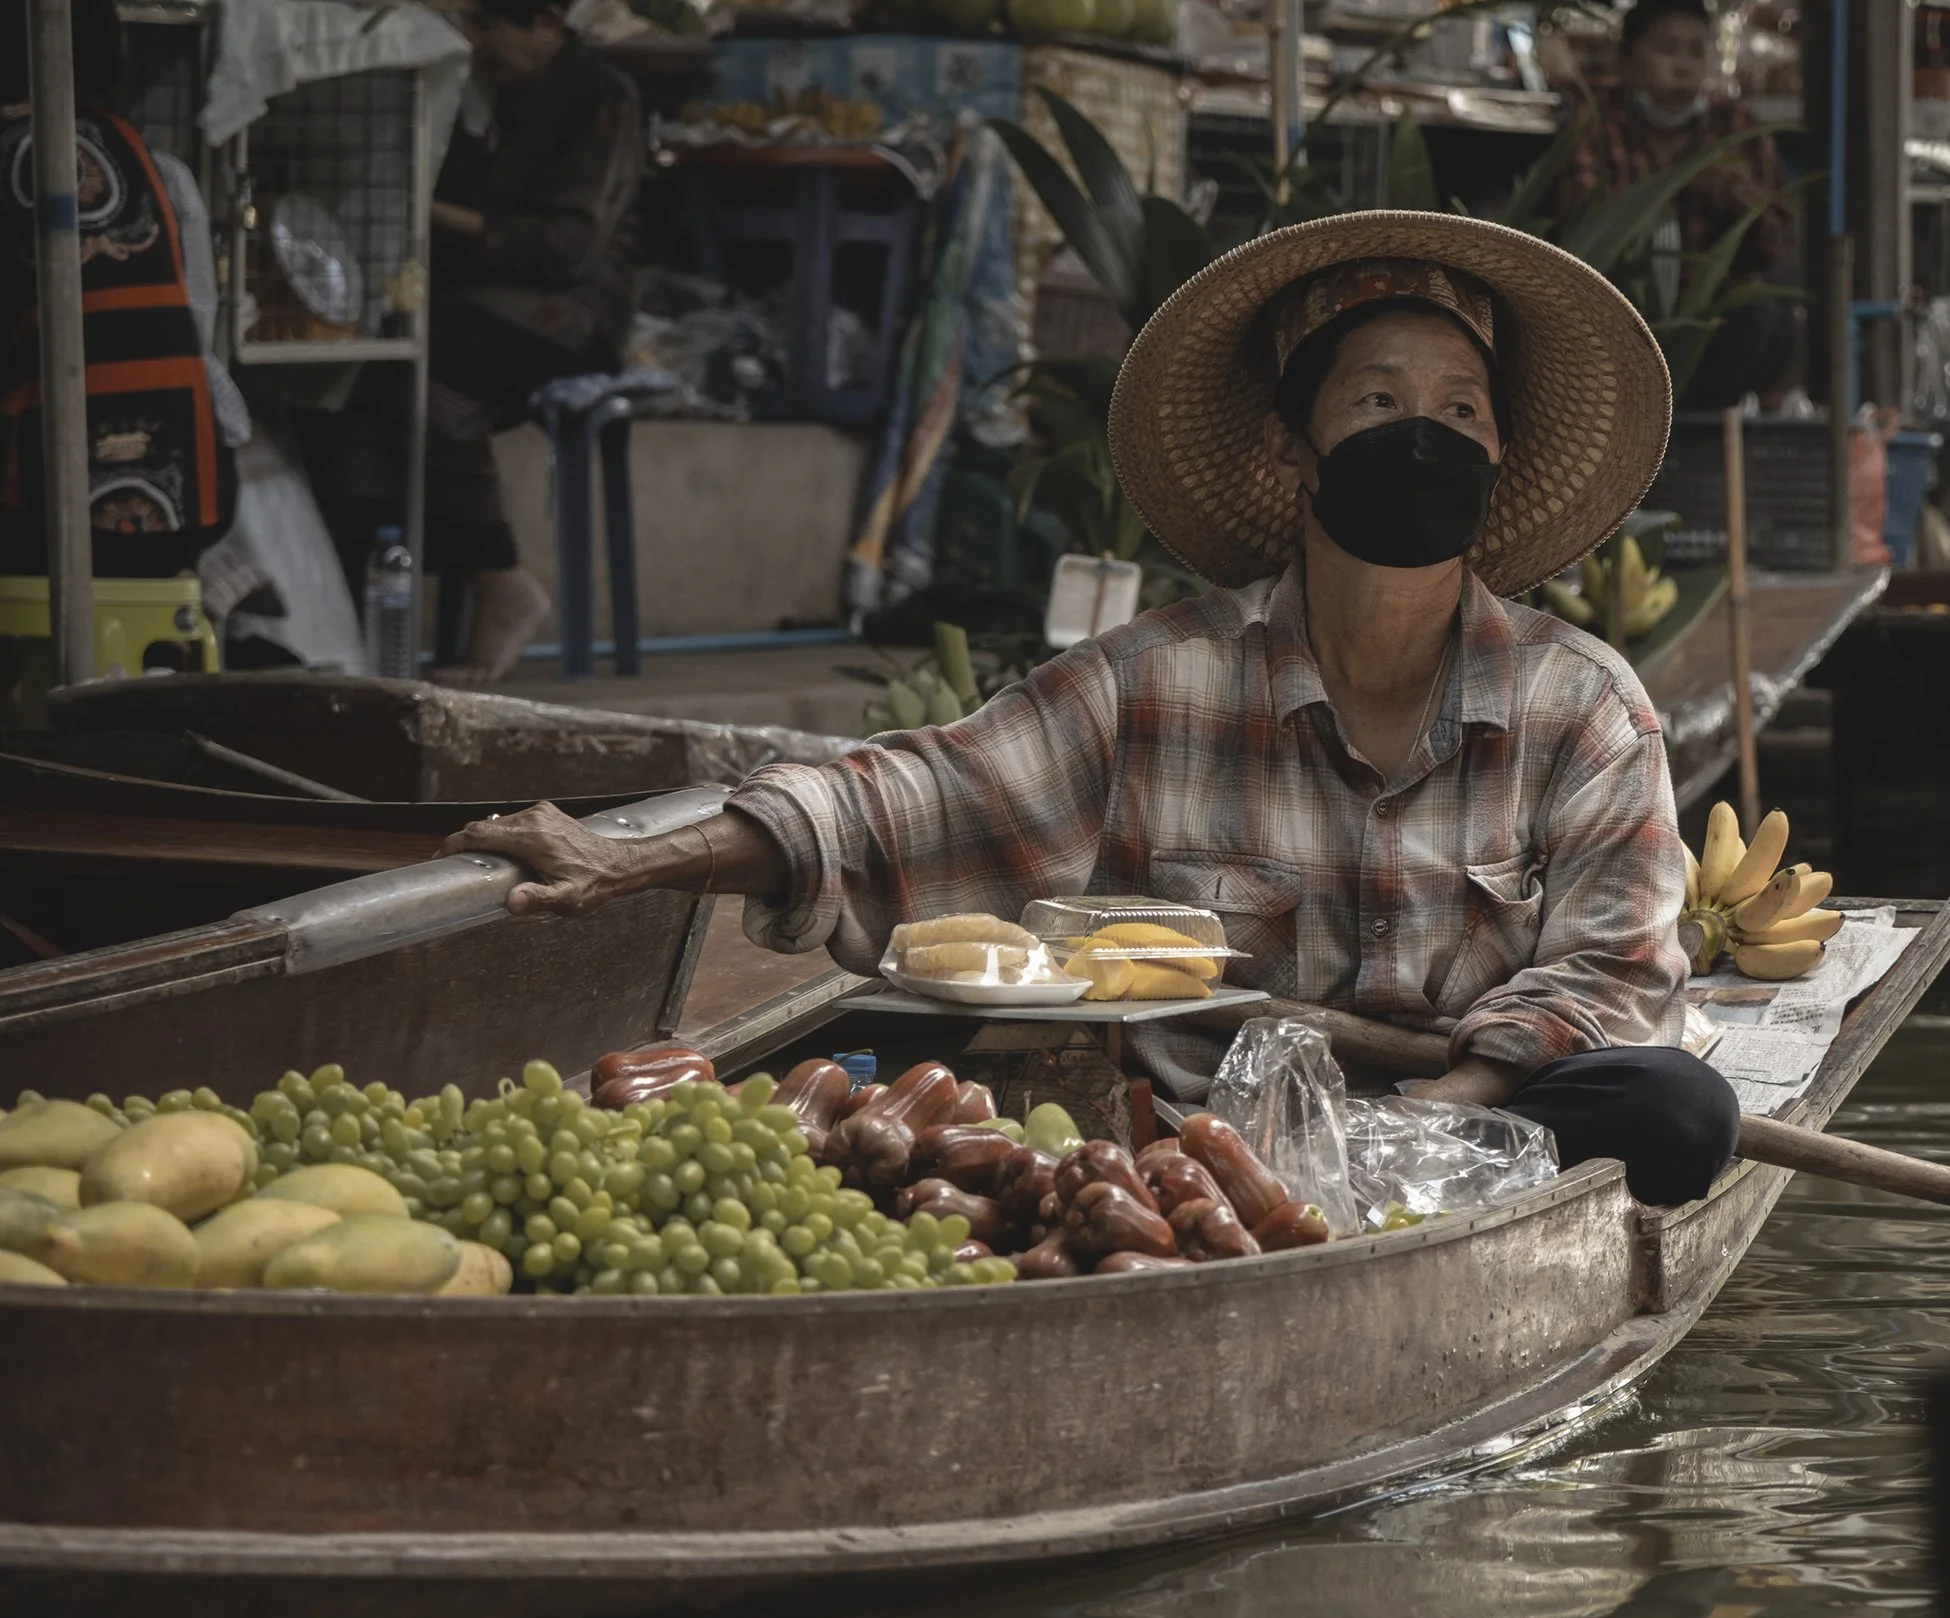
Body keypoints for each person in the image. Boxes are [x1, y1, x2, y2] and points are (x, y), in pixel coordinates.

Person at [447, 212, 1742, 1207]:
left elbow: (1617, 972)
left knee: (1679, 1104)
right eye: (1379, 402)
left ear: (1502, 446)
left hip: (1471, 1134)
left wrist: (1426, 1114)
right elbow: (912, 801)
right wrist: (627, 858)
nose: (1428, 433)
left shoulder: (1582, 707)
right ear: (1295, 450)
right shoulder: (1157, 685)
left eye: (1462, 407)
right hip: (1210, 1165)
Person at [312, 0, 640, 683]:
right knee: (366, 374)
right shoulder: (476, 91)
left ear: (546, 23)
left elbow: (567, 246)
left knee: (424, 372)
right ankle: (348, 624)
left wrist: (424, 209)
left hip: (568, 311)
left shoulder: (599, 96)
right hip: (472, 299)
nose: (476, 41)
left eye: (491, 26)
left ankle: (502, 579)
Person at [0, 0, 252, 593]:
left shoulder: (11, 154)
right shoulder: (156, 165)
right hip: (195, 506)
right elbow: (196, 330)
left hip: (47, 517)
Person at [1557, 0, 1794, 410]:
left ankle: (1690, 426)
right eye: (1666, 49)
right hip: (1620, 315)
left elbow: (1774, 244)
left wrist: (1741, 199)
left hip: (1710, 327)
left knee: (1767, 320)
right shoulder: (1598, 117)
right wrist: (1670, 186)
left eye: (1695, 51)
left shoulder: (1735, 127)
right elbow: (1583, 226)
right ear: (1628, 59)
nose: (1683, 66)